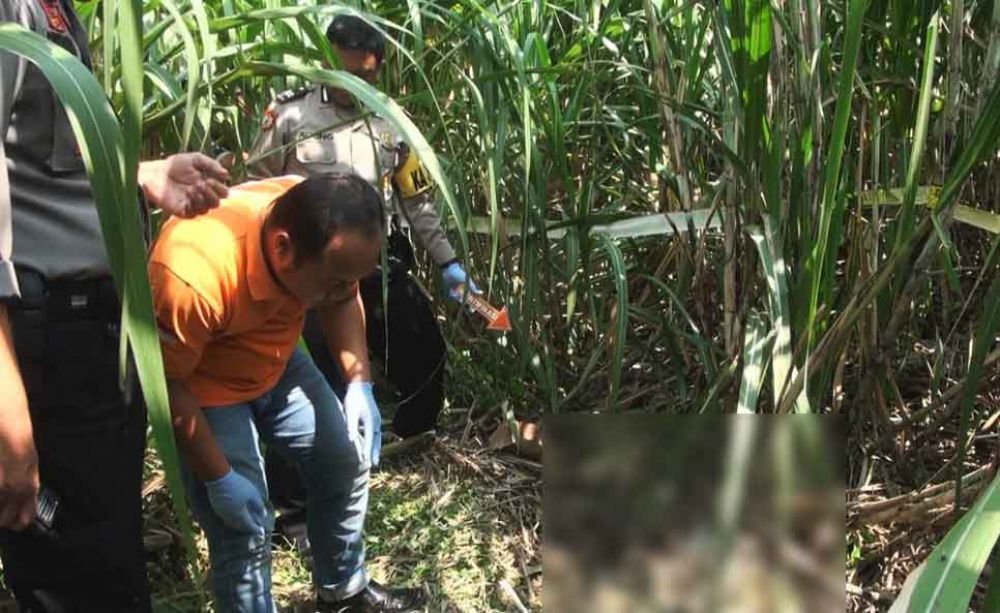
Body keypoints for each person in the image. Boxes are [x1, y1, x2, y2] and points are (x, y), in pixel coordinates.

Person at [0, 1, 231, 611]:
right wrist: (7, 413)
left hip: (89, 332)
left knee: (106, 554)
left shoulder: (50, 8)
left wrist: (141, 172)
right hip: (45, 336)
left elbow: (33, 167)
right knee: (79, 576)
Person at [149, 174, 427, 613]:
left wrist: (360, 383)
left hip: (276, 364)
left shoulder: (318, 222)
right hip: (205, 390)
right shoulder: (191, 273)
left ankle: (343, 593)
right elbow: (166, 385)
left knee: (343, 463)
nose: (341, 289)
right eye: (333, 280)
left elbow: (342, 298)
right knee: (244, 527)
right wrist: (219, 477)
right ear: (281, 248)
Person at [247, 14, 479, 442]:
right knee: (317, 373)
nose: (353, 83)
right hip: (309, 270)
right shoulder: (290, 114)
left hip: (377, 265)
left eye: (365, 75)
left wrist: (449, 262)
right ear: (325, 59)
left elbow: (416, 202)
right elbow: (253, 189)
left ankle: (412, 438)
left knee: (425, 351)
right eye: (344, 72)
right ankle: (323, 456)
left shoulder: (393, 123)